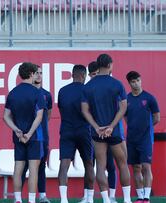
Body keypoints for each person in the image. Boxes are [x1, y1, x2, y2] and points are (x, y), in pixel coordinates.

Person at [81, 54, 131, 203]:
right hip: (113, 131)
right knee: (122, 164)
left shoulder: (89, 86)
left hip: (98, 133)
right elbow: (123, 107)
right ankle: (127, 200)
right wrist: (112, 126)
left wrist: (96, 127)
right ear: (110, 65)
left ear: (98, 66)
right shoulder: (117, 84)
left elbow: (84, 110)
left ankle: (106, 200)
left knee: (101, 166)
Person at [4, 62, 45, 203]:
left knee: (18, 167)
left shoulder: (13, 93)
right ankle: (31, 200)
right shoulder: (37, 93)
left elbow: (5, 116)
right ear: (32, 74)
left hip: (19, 137)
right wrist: (29, 133)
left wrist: (16, 130)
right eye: (36, 73)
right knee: (33, 169)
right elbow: (39, 116)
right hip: (34, 137)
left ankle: (18, 199)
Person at [80, 61, 118, 203]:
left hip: (109, 132)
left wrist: (110, 127)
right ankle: (88, 196)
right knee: (90, 164)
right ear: (89, 75)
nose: (97, 77)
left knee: (110, 164)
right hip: (92, 133)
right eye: (94, 74)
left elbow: (119, 109)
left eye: (98, 73)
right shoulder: (88, 90)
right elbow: (84, 112)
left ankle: (111, 196)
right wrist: (95, 127)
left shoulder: (109, 87)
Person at [57, 65, 95, 203]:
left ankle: (63, 200)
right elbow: (91, 112)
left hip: (67, 129)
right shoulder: (88, 90)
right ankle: (89, 199)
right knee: (89, 164)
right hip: (84, 130)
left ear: (72, 75)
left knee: (64, 164)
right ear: (84, 75)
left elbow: (61, 109)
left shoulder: (62, 91)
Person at [125, 71, 160, 203]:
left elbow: (157, 118)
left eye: (138, 80)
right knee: (136, 168)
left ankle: (147, 197)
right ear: (129, 83)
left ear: (141, 80)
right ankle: (140, 197)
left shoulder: (149, 98)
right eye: (133, 81)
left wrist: (147, 128)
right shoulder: (127, 99)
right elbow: (125, 116)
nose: (136, 83)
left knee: (146, 167)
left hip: (145, 139)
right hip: (131, 139)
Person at [21, 66, 52, 203]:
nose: (39, 76)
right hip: (25, 135)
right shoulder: (25, 93)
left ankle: (42, 195)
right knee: (22, 165)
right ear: (31, 75)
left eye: (41, 73)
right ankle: (19, 197)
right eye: (36, 73)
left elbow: (48, 115)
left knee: (41, 166)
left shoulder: (46, 94)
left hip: (42, 136)